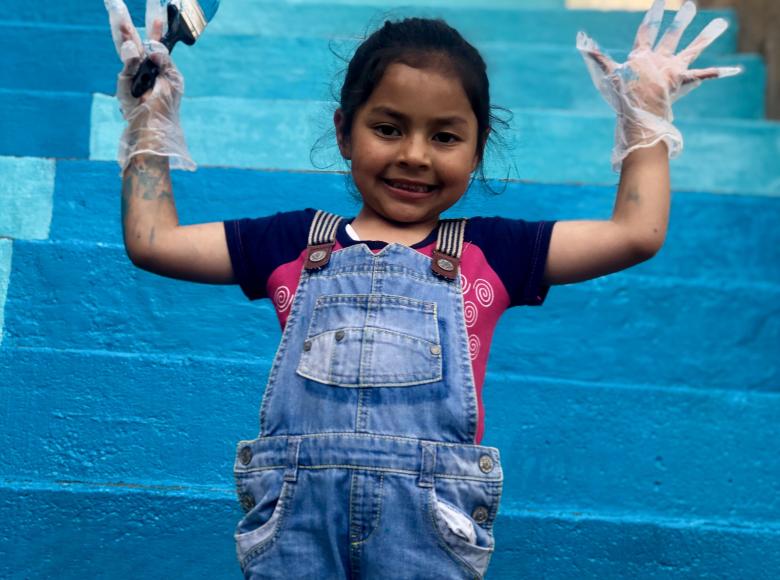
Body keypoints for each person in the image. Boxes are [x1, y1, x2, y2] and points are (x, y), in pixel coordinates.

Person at [104, 0, 741, 577]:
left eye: (445, 136)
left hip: (430, 532)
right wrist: (148, 126)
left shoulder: (496, 253)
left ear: (477, 150)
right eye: (388, 128)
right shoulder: (291, 243)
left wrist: (644, 116)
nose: (415, 155)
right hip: (295, 527)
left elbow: (635, 233)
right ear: (344, 132)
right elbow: (154, 242)